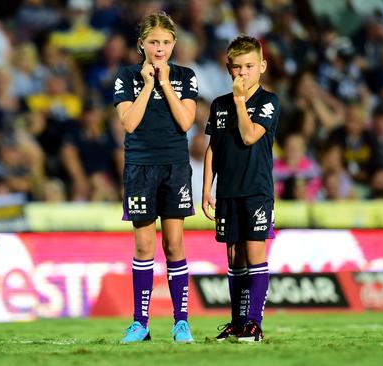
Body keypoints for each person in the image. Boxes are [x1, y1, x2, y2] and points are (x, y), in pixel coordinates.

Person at [113, 12, 198, 343]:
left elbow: (185, 121)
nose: (159, 48)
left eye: (165, 42)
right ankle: (141, 323)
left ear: (174, 44)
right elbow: (129, 123)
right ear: (141, 45)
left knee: (174, 243)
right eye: (153, 42)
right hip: (140, 167)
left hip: (174, 166)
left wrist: (164, 82)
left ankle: (181, 323)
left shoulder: (185, 76)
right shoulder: (127, 76)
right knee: (144, 245)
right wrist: (148, 85)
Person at [202, 35, 280, 342]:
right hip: (228, 191)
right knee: (234, 257)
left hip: (257, 190)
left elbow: (249, 136)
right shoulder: (218, 105)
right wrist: (206, 189)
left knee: (254, 253)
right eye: (237, 67)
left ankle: (254, 324)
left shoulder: (268, 101)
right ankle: (237, 322)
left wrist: (239, 102)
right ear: (228, 68)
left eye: (249, 66)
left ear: (262, 66)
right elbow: (213, 149)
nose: (243, 73)